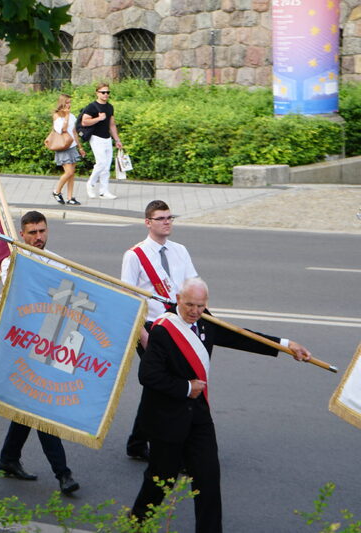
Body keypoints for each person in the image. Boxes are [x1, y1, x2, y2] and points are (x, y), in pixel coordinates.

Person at [130, 277, 311, 533]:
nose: (195, 311)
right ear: (178, 300)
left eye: (200, 306)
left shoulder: (205, 320)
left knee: (208, 481)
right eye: (190, 305)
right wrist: (185, 388)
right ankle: (135, 525)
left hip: (199, 418)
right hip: (166, 420)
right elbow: (148, 376)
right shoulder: (162, 329)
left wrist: (285, 345)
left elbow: (240, 337)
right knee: (160, 482)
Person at [0, 211, 79, 495]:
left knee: (29, 408)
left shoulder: (60, 263)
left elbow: (70, 306)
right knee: (41, 409)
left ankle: (9, 458)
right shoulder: (11, 264)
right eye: (32, 233)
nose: (38, 237)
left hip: (51, 346)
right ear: (22, 234)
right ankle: (63, 474)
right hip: (23, 349)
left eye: (42, 231)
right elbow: (21, 299)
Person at [121, 200, 198, 461]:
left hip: (179, 327)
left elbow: (192, 287)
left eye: (169, 217)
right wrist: (142, 335)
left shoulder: (180, 251)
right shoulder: (135, 255)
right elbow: (128, 298)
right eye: (160, 218)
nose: (167, 222)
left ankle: (137, 442)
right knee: (171, 386)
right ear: (148, 222)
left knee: (158, 389)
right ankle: (174, 446)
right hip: (151, 330)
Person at [80, 83, 122, 200]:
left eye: (107, 92)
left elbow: (112, 125)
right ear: (97, 93)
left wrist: (117, 140)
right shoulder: (91, 107)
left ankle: (104, 191)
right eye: (103, 92)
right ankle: (90, 183)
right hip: (96, 137)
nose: (105, 94)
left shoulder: (109, 107)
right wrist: (99, 118)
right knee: (101, 163)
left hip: (107, 138)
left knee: (106, 166)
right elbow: (84, 122)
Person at [50, 94, 86, 207]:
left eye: (70, 102)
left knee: (71, 174)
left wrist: (80, 147)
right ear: (62, 103)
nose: (69, 105)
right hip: (63, 146)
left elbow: (74, 132)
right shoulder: (57, 116)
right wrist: (66, 115)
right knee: (68, 172)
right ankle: (57, 191)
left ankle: (70, 197)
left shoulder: (72, 116)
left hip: (72, 146)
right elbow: (63, 129)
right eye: (67, 102)